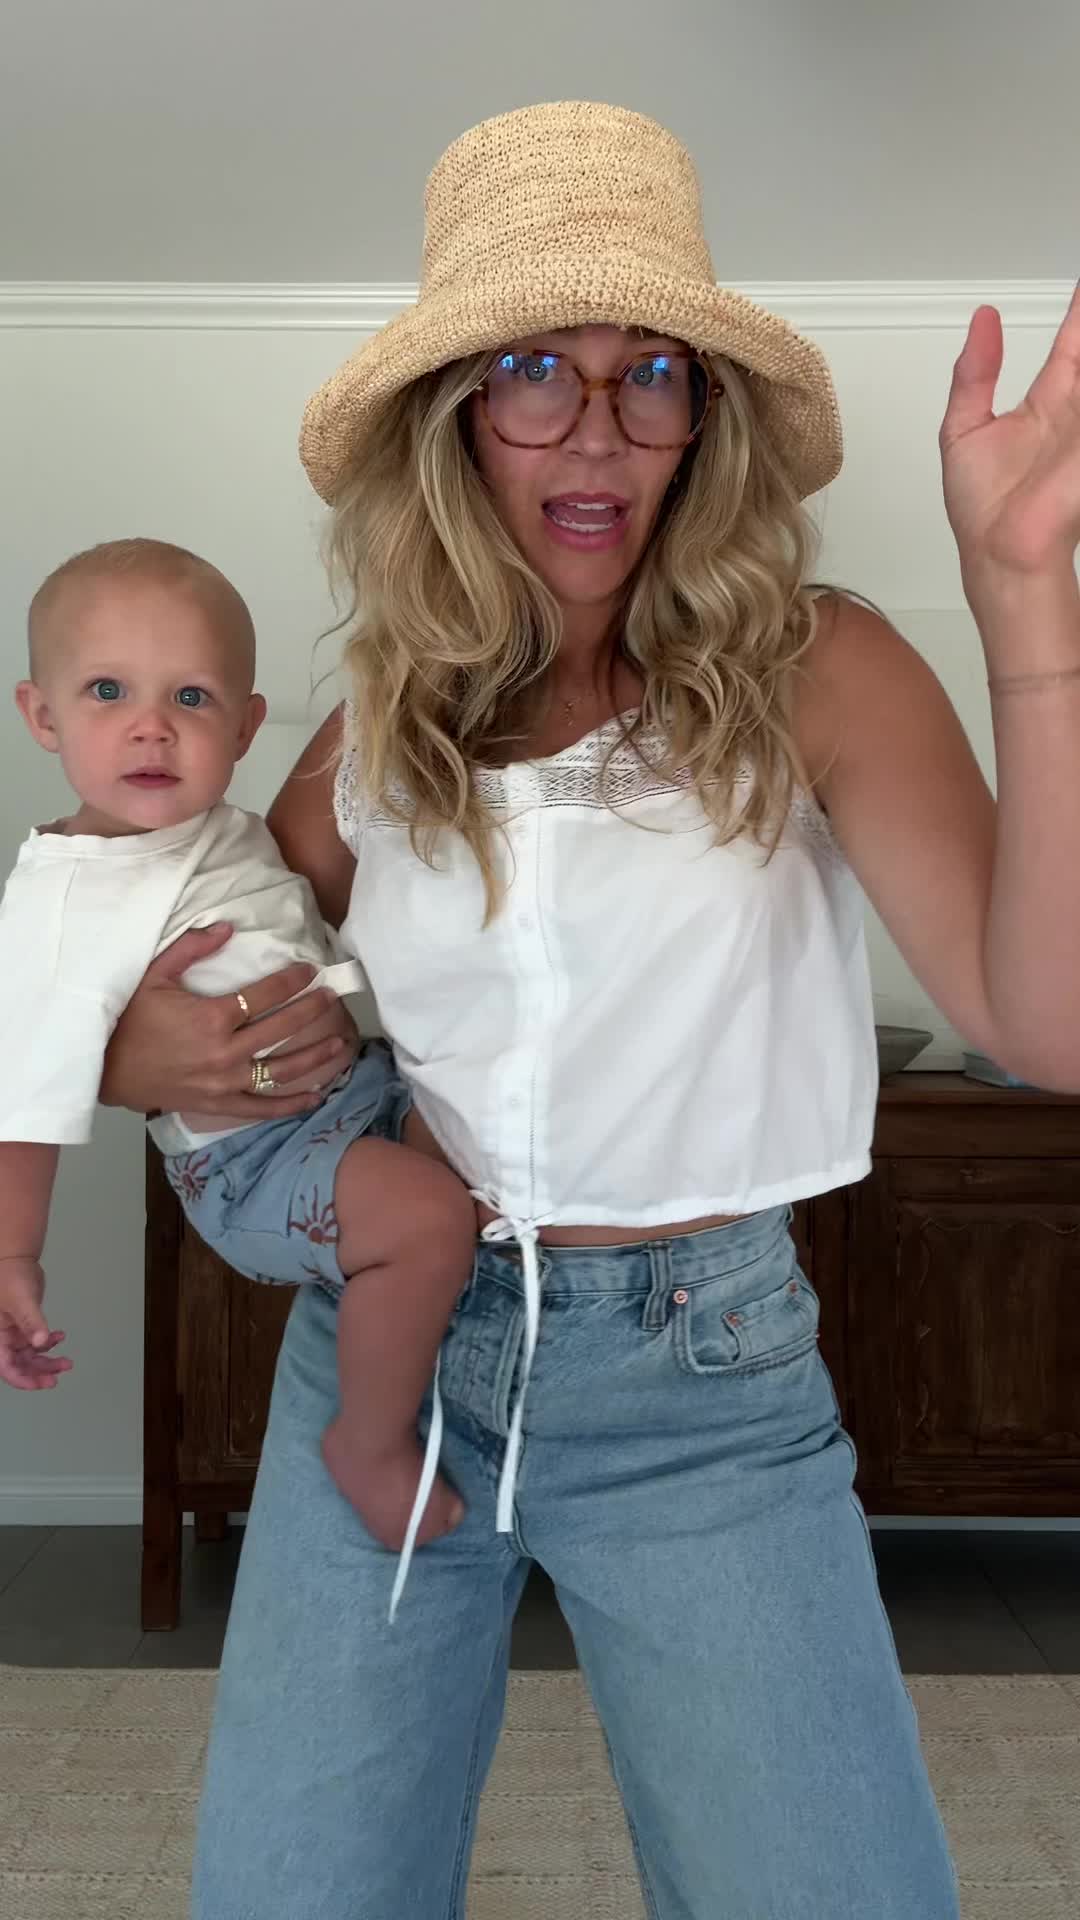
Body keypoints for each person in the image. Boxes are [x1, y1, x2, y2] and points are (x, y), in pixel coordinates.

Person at [97, 99, 1080, 1920]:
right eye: (537, 370)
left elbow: (1049, 1026)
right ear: (456, 415)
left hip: (705, 1381)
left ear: (708, 417)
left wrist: (1024, 598)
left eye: (652, 378)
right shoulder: (383, 718)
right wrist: (120, 1051)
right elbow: (189, 937)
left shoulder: (818, 667)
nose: (599, 433)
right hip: (393, 1357)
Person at [0, 539, 476, 1599]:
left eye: (191, 696)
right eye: (107, 691)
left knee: (490, 1155)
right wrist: (13, 1256)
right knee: (428, 1222)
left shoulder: (225, 832)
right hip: (252, 1162)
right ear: (42, 716)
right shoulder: (62, 897)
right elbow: (21, 1094)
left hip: (356, 1097)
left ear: (247, 726)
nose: (151, 725)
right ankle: (368, 1443)